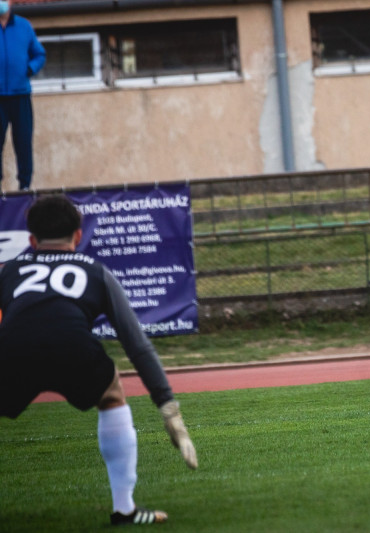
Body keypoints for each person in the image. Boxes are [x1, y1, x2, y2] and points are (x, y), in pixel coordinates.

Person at [0, 195, 197, 526]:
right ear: (78, 236)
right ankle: (125, 509)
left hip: (13, 348)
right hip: (73, 346)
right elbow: (137, 345)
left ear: (32, 241)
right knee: (111, 393)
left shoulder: (9, 271)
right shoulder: (96, 271)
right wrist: (168, 407)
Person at [0, 0, 46, 191]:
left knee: (23, 143)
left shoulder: (24, 26)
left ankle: (25, 187)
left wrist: (29, 69)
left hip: (21, 96)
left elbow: (39, 54)